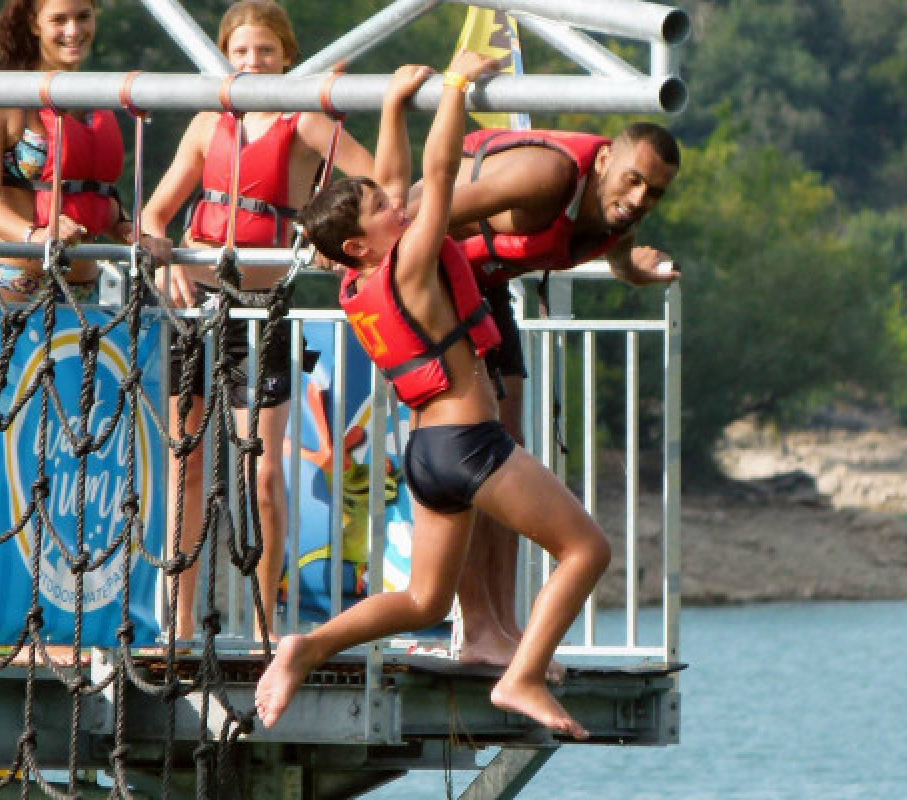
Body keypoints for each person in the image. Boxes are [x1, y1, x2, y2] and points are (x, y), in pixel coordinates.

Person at [254, 51, 611, 738]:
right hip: (471, 445)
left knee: (422, 600)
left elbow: (388, 178)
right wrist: (454, 88)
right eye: (385, 209)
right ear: (360, 242)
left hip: (427, 453)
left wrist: (393, 107)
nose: (400, 203)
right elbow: (441, 172)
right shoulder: (411, 263)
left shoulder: (361, 281)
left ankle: (307, 645)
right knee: (586, 550)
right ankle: (524, 676)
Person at [140, 0, 376, 644]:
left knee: (264, 475)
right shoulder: (204, 125)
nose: (253, 64)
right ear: (225, 57)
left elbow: (378, 183)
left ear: (288, 58)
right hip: (197, 310)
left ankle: (269, 625)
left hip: (264, 313)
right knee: (183, 465)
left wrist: (330, 236)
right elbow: (154, 216)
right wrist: (163, 262)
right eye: (241, 53)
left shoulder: (306, 125)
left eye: (265, 53)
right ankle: (178, 622)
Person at [433, 124, 680, 670]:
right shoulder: (545, 176)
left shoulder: (617, 211)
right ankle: (477, 630)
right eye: (633, 180)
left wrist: (626, 269)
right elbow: (425, 204)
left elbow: (610, 235)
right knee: (475, 459)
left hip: (484, 287)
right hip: (435, 281)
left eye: (655, 192)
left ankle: (504, 625)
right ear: (603, 161)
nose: (640, 199)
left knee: (508, 453)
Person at [0, 0, 167, 304]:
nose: (73, 31)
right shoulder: (3, 101)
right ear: (35, 24)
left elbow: (93, 198)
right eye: (59, 20)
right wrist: (34, 236)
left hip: (82, 293)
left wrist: (132, 232)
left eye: (83, 17)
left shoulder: (96, 97)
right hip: (13, 287)